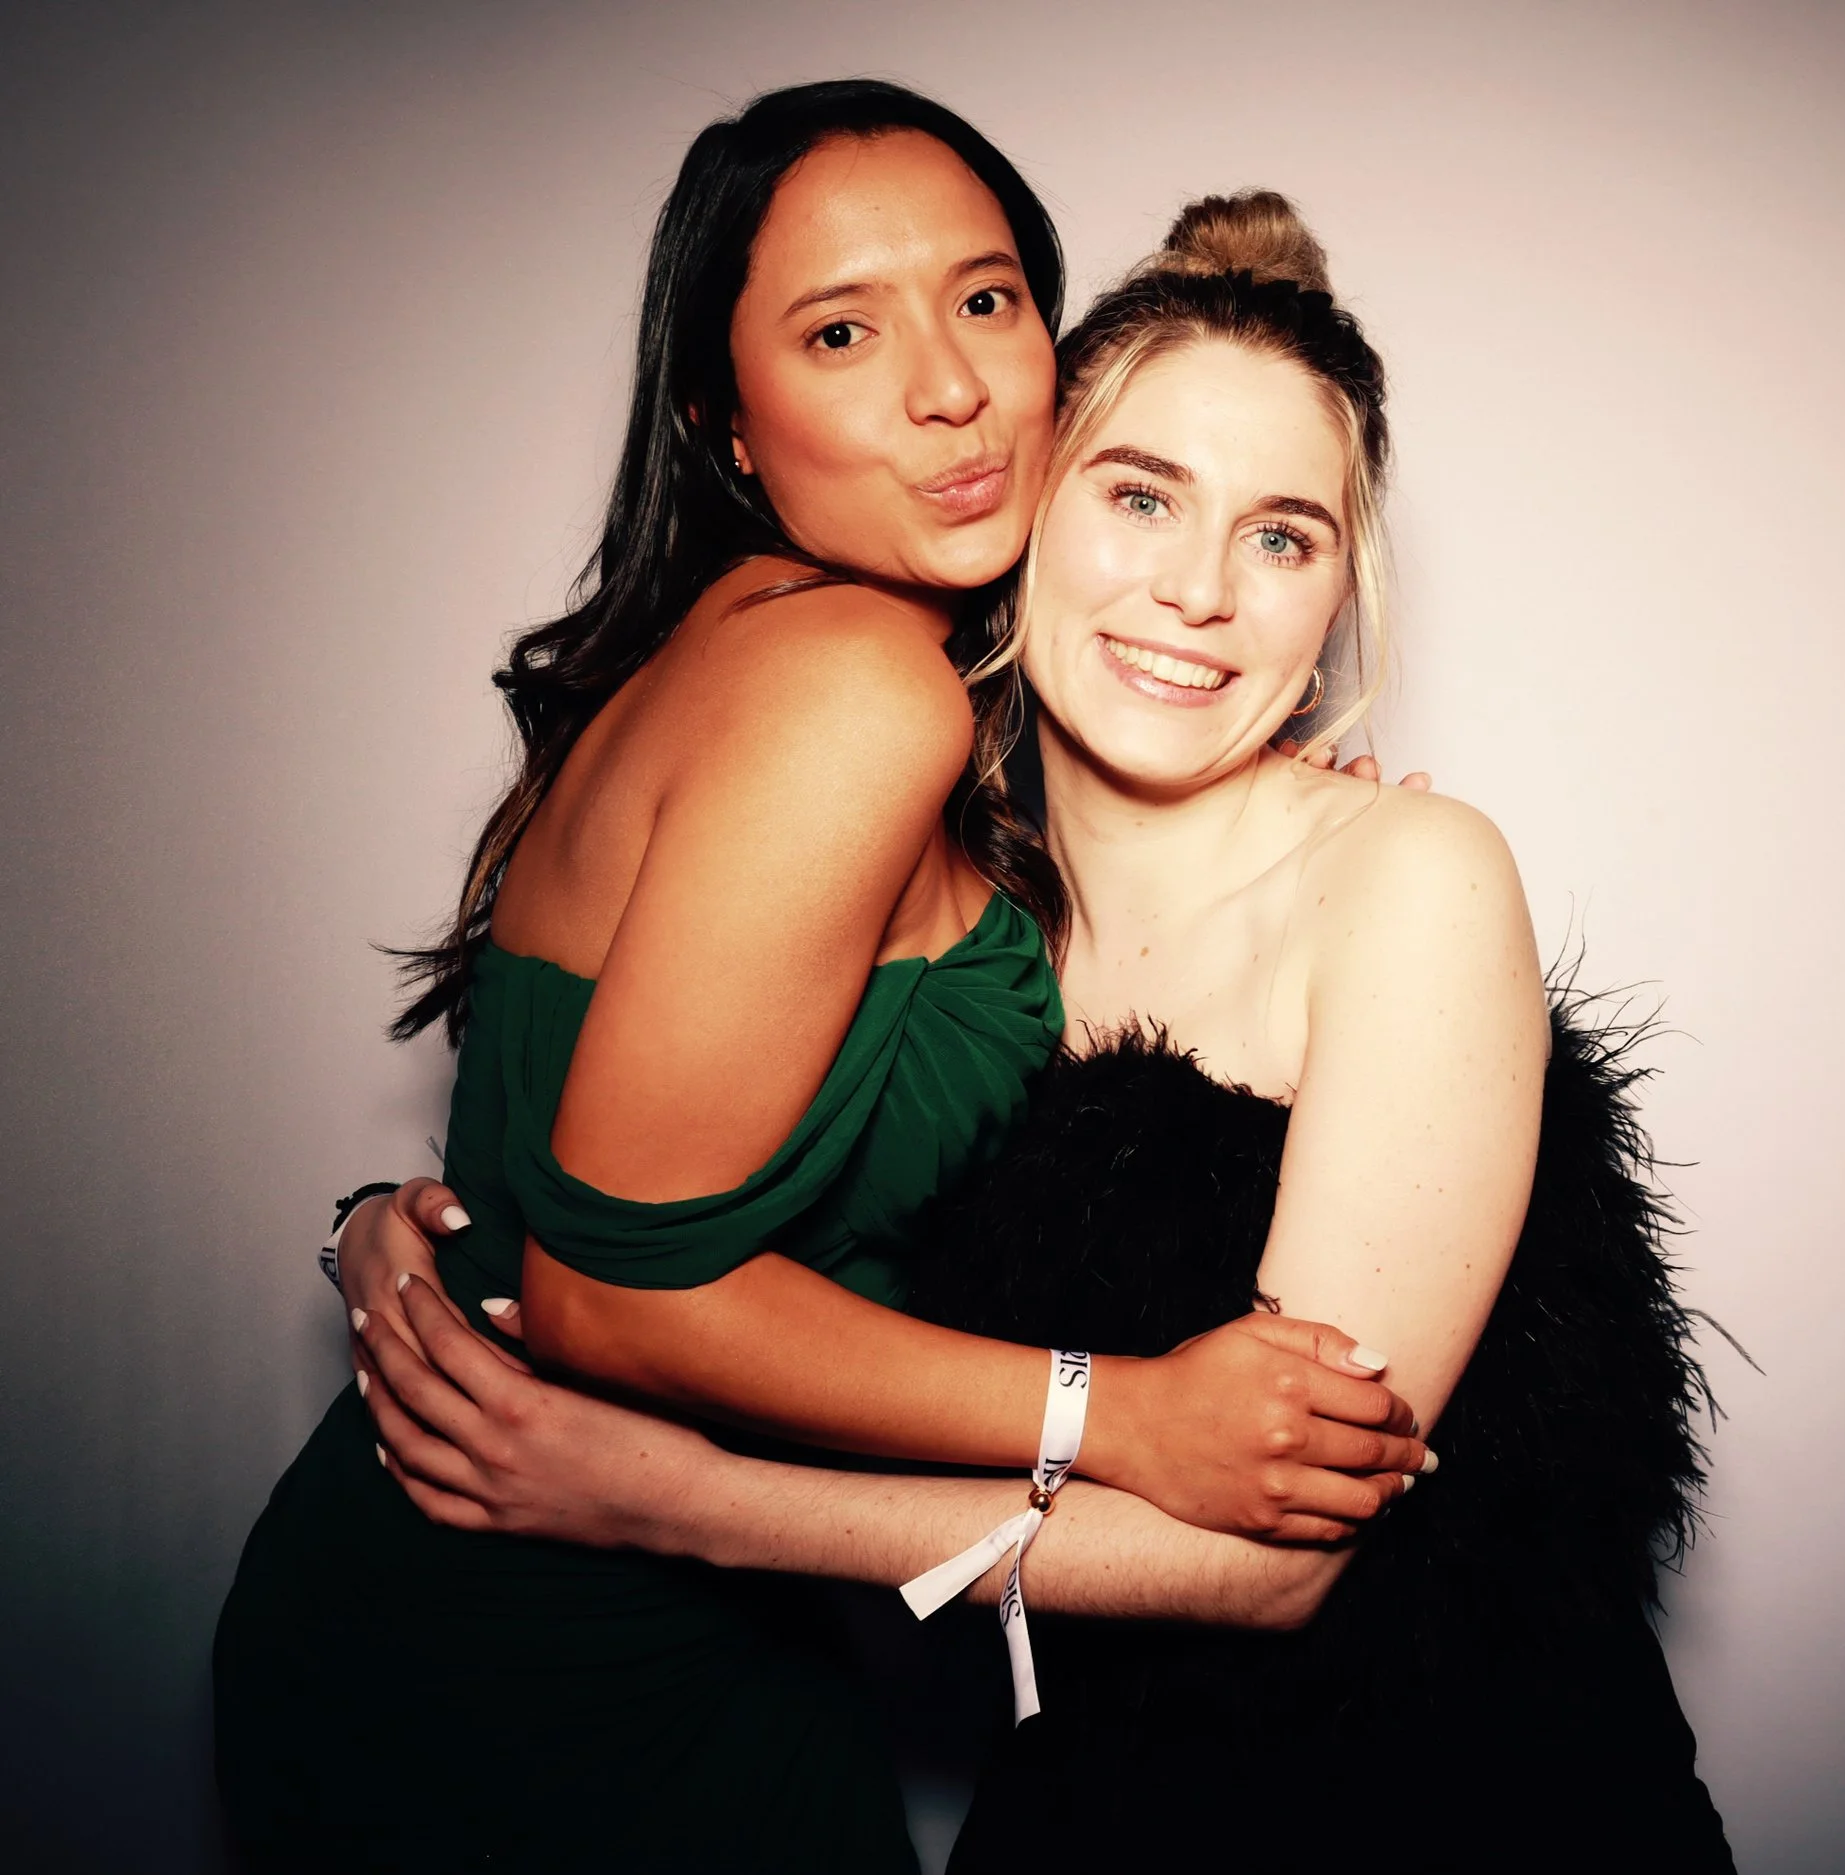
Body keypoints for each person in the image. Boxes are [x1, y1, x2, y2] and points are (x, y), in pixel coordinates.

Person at [351, 192, 1737, 1872]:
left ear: (1337, 596)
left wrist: (671, 1501)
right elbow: (676, 1209)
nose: (1199, 592)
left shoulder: (1411, 876)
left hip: (1460, 1807)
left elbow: (1272, 1561)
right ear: (1029, 502)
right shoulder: (944, 915)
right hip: (1088, 1798)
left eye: (1282, 538)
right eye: (1141, 495)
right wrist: (410, 1235)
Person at [212, 87, 1428, 1875]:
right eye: (841, 333)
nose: (947, 389)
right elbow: (610, 1298)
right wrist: (1122, 1412)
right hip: (537, 1661)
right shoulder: (858, 687)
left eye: (986, 300)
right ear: (725, 420)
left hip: (621, 1611)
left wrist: (1268, 845)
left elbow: (587, 1125)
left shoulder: (769, 652)